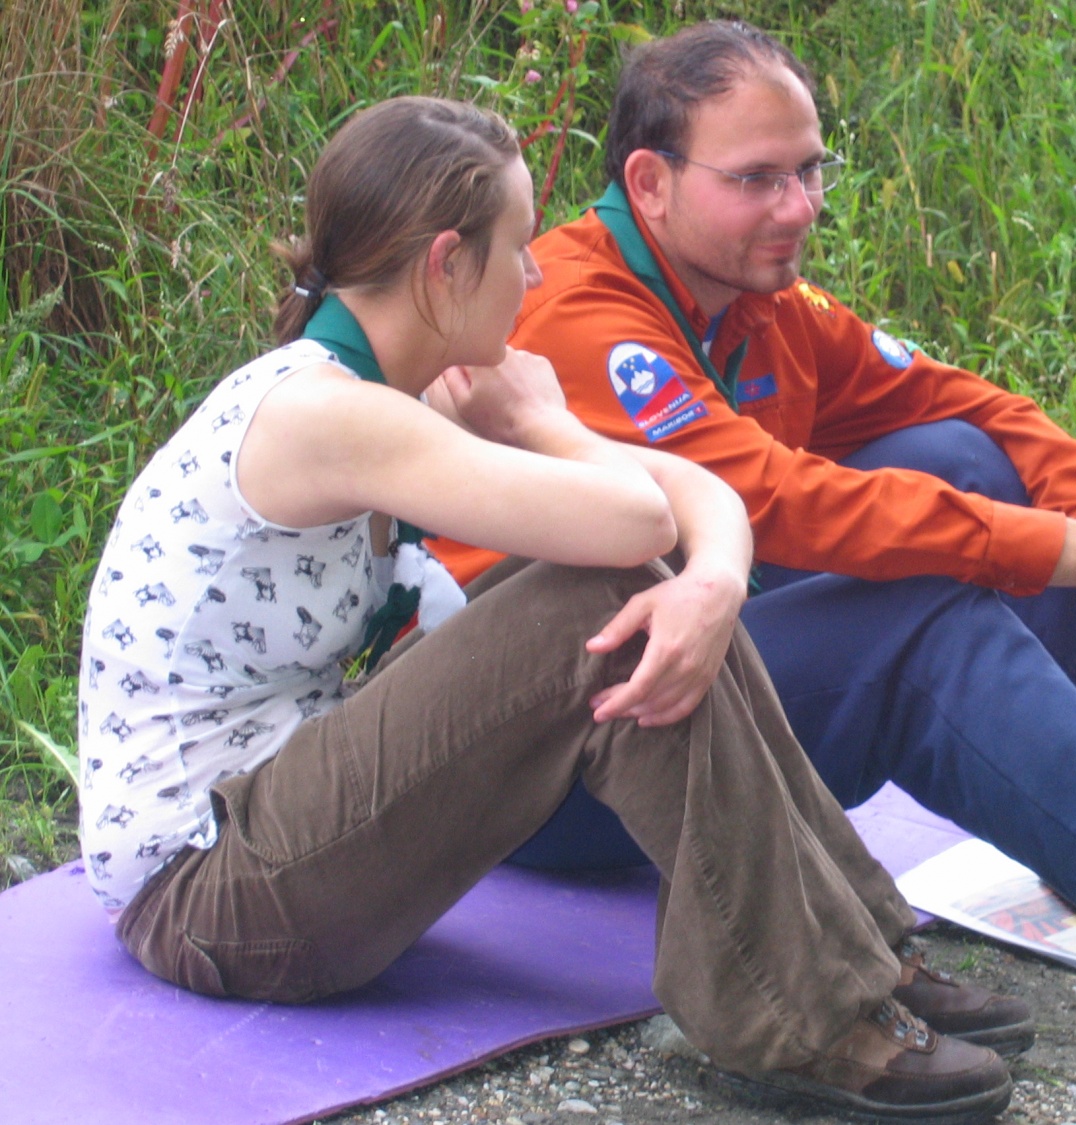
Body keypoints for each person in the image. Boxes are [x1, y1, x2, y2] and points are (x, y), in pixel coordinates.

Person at [430, 23, 1076, 1069]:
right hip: (568, 757)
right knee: (920, 623)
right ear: (650, 183)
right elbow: (781, 503)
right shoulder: (580, 311)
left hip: (683, 683)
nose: (797, 208)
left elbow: (983, 415)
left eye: (810, 171)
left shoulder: (755, 297)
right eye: (756, 179)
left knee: (954, 455)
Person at [75, 95, 1019, 1123]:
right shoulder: (326, 413)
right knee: (600, 601)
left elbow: (690, 502)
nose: (533, 277)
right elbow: (632, 524)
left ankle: (855, 956)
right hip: (214, 898)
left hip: (272, 834)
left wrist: (708, 587)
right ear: (445, 266)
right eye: (519, 248)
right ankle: (798, 1006)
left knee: (632, 606)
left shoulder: (372, 390)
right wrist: (541, 420)